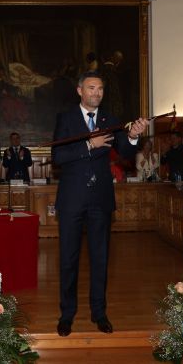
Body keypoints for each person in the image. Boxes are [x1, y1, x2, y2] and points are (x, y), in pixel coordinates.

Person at [52, 72, 147, 337]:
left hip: (101, 199)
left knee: (100, 258)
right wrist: (89, 145)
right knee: (69, 259)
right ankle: (67, 314)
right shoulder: (66, 118)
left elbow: (126, 154)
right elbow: (58, 156)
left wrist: (133, 137)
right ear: (80, 90)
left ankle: (99, 312)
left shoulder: (110, 120)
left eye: (101, 89)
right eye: (92, 88)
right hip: (72, 199)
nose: (97, 93)